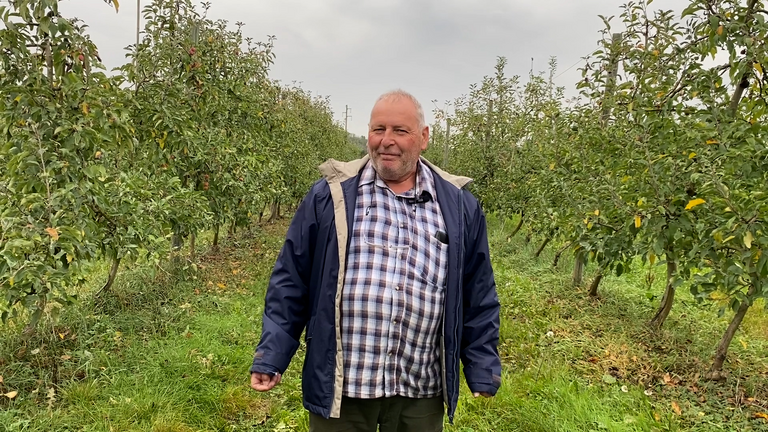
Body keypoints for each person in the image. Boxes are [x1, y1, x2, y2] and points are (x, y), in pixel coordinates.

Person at [250, 89, 501, 431]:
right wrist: (272, 355)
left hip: (420, 388)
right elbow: (291, 279)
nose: (386, 140)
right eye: (378, 129)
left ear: (424, 137)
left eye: (400, 130)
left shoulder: (458, 206)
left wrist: (482, 363)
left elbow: (478, 291)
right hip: (344, 388)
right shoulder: (331, 196)